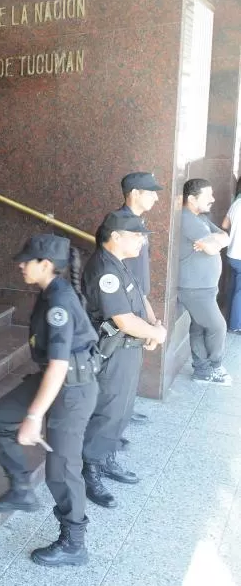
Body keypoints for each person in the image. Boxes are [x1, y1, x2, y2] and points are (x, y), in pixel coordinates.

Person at [0, 234, 99, 567]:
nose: (20, 265)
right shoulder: (50, 293)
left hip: (72, 388)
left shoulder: (59, 301)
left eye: (26, 260)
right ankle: (21, 487)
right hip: (55, 378)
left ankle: (74, 542)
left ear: (45, 264)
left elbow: (61, 365)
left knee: (61, 469)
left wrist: (34, 417)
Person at [81, 211, 166, 508]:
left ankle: (106, 458)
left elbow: (139, 297)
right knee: (107, 410)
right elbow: (123, 320)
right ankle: (90, 470)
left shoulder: (120, 264)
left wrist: (155, 326)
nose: (142, 241)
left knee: (122, 408)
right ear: (116, 237)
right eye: (137, 235)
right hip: (113, 351)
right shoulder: (104, 269)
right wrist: (156, 335)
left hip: (130, 349)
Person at [97, 172, 164, 427]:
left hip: (137, 300)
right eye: (151, 192)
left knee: (130, 366)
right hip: (124, 303)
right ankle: (117, 416)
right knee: (118, 372)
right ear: (135, 193)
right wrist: (145, 321)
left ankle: (125, 408)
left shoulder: (136, 222)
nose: (156, 198)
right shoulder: (118, 223)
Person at [179, 178, 232, 385]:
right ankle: (215, 367)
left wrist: (214, 240)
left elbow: (224, 236)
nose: (213, 199)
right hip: (195, 288)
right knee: (218, 326)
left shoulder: (199, 217)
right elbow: (211, 247)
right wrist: (212, 243)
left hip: (203, 286)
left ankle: (201, 370)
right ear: (192, 198)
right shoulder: (187, 219)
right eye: (207, 195)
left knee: (199, 327)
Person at [222, 189, 241, 334]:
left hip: (232, 254)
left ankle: (228, 318)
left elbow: (224, 225)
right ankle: (235, 325)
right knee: (239, 292)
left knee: (233, 288)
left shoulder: (236, 203)